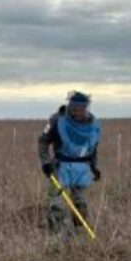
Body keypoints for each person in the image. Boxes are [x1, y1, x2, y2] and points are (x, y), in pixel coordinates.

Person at [38, 91, 101, 237]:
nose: (78, 112)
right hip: (59, 168)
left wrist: (94, 167)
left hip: (81, 169)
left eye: (82, 109)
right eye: (75, 109)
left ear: (86, 108)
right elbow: (43, 141)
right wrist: (46, 162)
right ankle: (57, 238)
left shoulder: (91, 124)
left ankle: (75, 232)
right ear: (69, 106)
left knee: (80, 209)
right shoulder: (56, 120)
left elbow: (93, 147)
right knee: (56, 205)